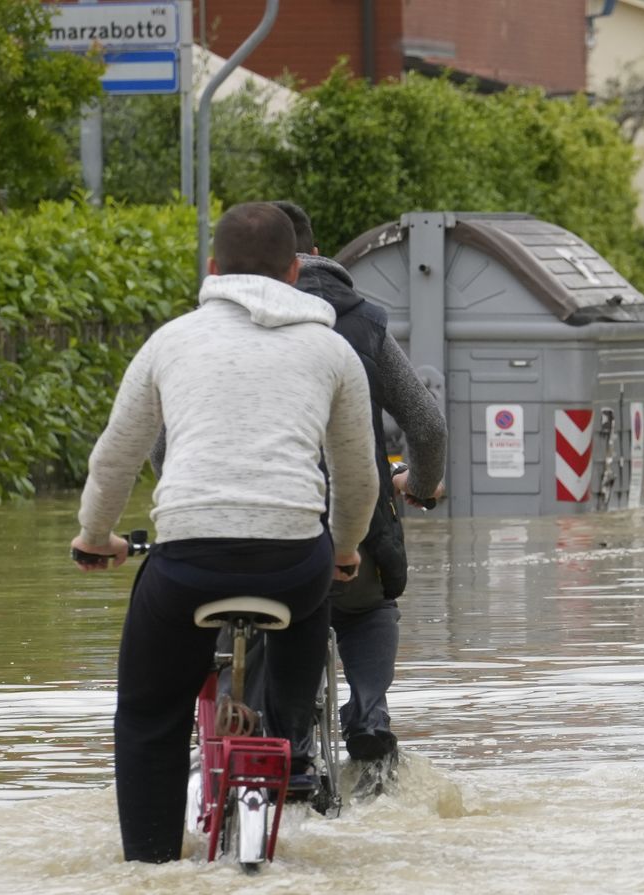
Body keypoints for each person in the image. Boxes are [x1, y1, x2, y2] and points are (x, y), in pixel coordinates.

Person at [69, 202, 377, 862]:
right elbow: (358, 479)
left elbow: (117, 456)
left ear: (213, 269)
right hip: (294, 563)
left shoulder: (171, 341)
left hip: (186, 564)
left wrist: (94, 534)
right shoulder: (332, 349)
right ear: (295, 272)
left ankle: (150, 864)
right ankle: (288, 739)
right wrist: (346, 548)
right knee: (315, 587)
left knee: (149, 715)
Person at [270, 201, 447, 772]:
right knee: (368, 608)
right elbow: (426, 424)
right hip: (355, 521)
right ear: (314, 256)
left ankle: (273, 734)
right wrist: (419, 485)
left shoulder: (219, 325)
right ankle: (370, 713)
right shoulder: (363, 320)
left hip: (253, 526)